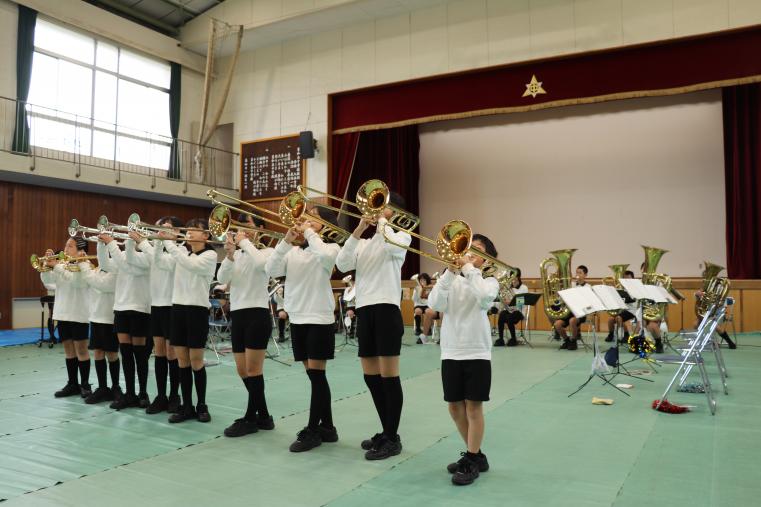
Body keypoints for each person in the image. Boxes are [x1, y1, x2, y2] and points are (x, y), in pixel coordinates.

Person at [335, 191, 411, 460]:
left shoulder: (402, 237)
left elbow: (391, 246)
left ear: (396, 214)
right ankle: (386, 430)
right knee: (371, 376)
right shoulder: (364, 244)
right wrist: (358, 230)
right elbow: (342, 263)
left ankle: (392, 437)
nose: (378, 210)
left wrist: (382, 223)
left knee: (389, 376)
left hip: (387, 308)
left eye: (384, 207)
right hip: (366, 310)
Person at [266, 208, 341, 452]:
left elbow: (327, 260)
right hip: (297, 316)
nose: (305, 220)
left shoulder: (330, 248)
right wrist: (286, 240)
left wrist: (309, 231)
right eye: (305, 217)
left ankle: (312, 430)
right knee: (315, 376)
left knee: (317, 376)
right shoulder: (294, 251)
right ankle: (327, 427)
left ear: (325, 225)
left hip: (319, 317)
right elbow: (272, 269)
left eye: (312, 217)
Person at [428, 234, 500, 486]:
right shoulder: (450, 279)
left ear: (487, 258)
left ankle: (471, 457)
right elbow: (434, 304)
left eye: (476, 249)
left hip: (477, 351)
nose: (469, 252)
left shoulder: (490, 281)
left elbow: (484, 299)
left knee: (473, 407)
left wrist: (469, 268)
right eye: (468, 248)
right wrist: (449, 271)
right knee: (454, 407)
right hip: (450, 350)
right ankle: (475, 455)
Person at [218, 215, 276, 437]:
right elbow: (222, 277)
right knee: (243, 370)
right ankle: (264, 416)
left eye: (248, 226)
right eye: (240, 227)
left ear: (260, 229)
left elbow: (263, 265)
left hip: (257, 313)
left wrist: (244, 242)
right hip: (239, 314)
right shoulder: (240, 253)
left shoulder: (266, 252)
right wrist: (230, 255)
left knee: (254, 370)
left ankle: (251, 418)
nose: (242, 230)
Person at [160, 219, 218, 423]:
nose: (190, 232)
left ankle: (201, 405)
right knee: (182, 360)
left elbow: (191, 265)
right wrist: (161, 242)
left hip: (197, 310)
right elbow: (160, 263)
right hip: (178, 308)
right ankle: (186, 406)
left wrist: (169, 242)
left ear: (206, 236)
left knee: (196, 360)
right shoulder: (181, 253)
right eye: (189, 229)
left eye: (195, 229)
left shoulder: (210, 255)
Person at [131, 216, 184, 414]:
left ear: (177, 233)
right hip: (156, 305)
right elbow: (150, 257)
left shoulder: (179, 252)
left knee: (172, 353)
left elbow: (165, 263)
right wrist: (138, 241)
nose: (161, 231)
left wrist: (148, 241)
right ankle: (161, 396)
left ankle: (174, 395)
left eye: (167, 228)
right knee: (159, 352)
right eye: (159, 228)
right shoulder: (155, 250)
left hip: (172, 305)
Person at [97, 233, 151, 409]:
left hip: (139, 308)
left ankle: (143, 392)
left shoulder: (145, 257)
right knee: (126, 354)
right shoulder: (122, 259)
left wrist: (113, 244)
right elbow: (105, 264)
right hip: (121, 308)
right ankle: (129, 393)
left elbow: (128, 265)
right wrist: (101, 245)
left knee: (140, 354)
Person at [41, 238, 92, 398]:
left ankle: (85, 384)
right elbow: (48, 283)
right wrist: (46, 268)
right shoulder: (61, 266)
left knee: (81, 350)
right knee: (69, 350)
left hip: (79, 313)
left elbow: (77, 283)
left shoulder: (85, 265)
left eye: (70, 246)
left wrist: (55, 266)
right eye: (66, 245)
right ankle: (72, 383)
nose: (65, 248)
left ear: (80, 249)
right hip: (63, 312)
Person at [81, 263, 120, 404]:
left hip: (109, 317)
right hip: (95, 316)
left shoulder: (115, 269)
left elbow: (103, 285)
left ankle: (116, 387)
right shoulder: (95, 270)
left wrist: (84, 267)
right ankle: (102, 388)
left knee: (111, 354)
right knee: (98, 353)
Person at [554, 265, 588, 350]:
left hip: (581, 312)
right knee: (557, 324)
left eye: (580, 273)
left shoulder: (588, 287)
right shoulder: (571, 284)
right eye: (577, 272)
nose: (578, 274)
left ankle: (573, 341)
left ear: (585, 275)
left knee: (572, 320)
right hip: (569, 311)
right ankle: (566, 340)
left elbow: (587, 302)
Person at [494, 269, 528, 347]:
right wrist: (503, 300)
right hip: (509, 310)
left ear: (518, 276)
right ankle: (501, 339)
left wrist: (511, 301)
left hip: (519, 311)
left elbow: (522, 301)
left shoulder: (524, 287)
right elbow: (503, 299)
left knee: (509, 318)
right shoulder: (508, 287)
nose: (513, 278)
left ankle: (513, 338)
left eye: (515, 276)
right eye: (511, 276)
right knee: (502, 315)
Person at [605, 270, 637, 343]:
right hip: (622, 309)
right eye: (625, 279)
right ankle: (611, 334)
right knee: (610, 319)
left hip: (631, 310)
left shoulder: (635, 289)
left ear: (633, 279)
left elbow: (632, 300)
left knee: (619, 318)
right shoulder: (621, 288)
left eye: (629, 279)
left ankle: (625, 335)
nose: (627, 281)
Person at [411, 273, 432, 341]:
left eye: (424, 280)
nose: (422, 282)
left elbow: (432, 298)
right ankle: (418, 328)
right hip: (418, 305)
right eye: (421, 280)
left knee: (428, 312)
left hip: (428, 305)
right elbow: (414, 299)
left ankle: (428, 328)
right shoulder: (417, 288)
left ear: (427, 281)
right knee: (418, 311)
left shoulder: (429, 287)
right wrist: (417, 292)